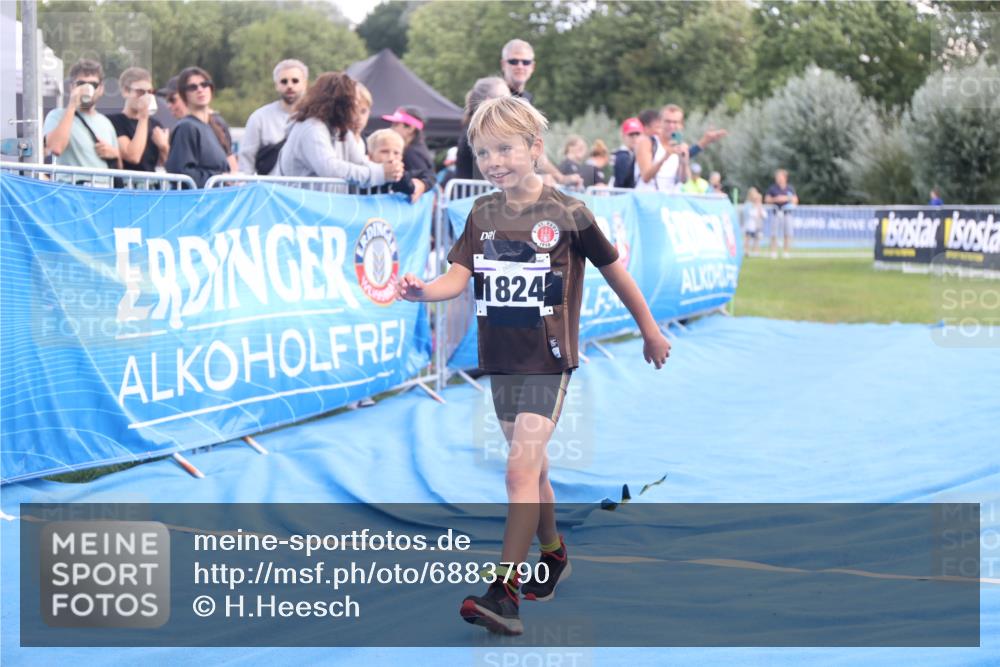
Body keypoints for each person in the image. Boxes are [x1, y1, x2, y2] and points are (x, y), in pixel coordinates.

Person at [395, 96, 671, 636]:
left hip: (548, 362)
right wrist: (423, 290)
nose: (493, 162)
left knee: (518, 471)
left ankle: (505, 592)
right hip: (500, 361)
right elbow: (457, 277)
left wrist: (650, 330)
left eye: (504, 149)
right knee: (536, 470)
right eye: (483, 153)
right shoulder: (481, 214)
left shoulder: (569, 213)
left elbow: (615, 271)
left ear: (535, 147)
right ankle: (554, 552)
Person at [276, 71, 402, 187]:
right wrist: (380, 173)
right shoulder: (312, 128)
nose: (355, 113)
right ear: (339, 103)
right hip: (300, 202)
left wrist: (390, 171)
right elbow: (329, 168)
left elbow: (359, 162)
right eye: (352, 104)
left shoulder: (340, 129)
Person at [43, 58, 120, 185]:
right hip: (72, 189)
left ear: (101, 89)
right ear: (72, 87)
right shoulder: (57, 115)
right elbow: (55, 148)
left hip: (103, 190)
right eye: (81, 84)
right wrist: (72, 104)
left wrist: (114, 153)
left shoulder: (106, 123)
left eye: (93, 85)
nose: (87, 88)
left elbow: (120, 166)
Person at [164, 67, 232, 188]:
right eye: (192, 87)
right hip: (198, 198)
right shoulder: (186, 127)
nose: (200, 90)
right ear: (184, 94)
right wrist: (219, 179)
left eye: (204, 84)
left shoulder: (213, 126)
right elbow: (181, 175)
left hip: (218, 196)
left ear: (211, 89)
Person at [238, 59, 308, 174]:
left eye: (295, 81)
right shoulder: (259, 117)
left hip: (305, 185)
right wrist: (246, 183)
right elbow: (246, 159)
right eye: (284, 81)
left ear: (305, 84)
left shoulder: (315, 118)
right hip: (269, 184)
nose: (289, 85)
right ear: (276, 85)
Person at [107, 67, 169, 173]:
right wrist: (143, 116)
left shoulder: (155, 125)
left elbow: (167, 165)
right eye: (140, 92)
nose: (146, 97)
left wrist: (164, 148)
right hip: (127, 181)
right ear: (125, 91)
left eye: (150, 92)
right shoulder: (114, 122)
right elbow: (133, 157)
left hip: (151, 181)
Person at [456, 77, 510, 180]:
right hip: (477, 189)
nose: (510, 104)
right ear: (488, 101)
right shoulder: (478, 132)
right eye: (504, 99)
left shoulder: (477, 129)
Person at [382, 106, 435, 200]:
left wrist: (420, 185)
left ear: (410, 128)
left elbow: (423, 177)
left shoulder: (412, 153)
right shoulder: (415, 149)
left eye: (396, 124)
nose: (391, 128)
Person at [366, 128, 426, 202]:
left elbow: (426, 175)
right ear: (370, 155)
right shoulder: (360, 176)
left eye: (396, 153)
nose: (391, 158)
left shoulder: (402, 176)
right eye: (384, 152)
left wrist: (422, 184)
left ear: (401, 157)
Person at [765, 168, 799, 258]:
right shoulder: (772, 188)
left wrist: (785, 198)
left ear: (785, 178)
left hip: (787, 213)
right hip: (776, 213)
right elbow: (767, 199)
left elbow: (795, 200)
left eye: (780, 177)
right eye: (777, 177)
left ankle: (786, 252)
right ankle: (773, 252)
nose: (778, 179)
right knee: (774, 233)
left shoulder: (790, 188)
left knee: (787, 233)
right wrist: (776, 199)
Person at [500, 38, 535, 104]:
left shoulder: (528, 99)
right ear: (503, 64)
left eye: (526, 62)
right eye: (514, 61)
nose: (520, 66)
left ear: (533, 66)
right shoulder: (492, 95)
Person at [611, 117, 643, 188]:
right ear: (623, 136)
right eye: (631, 134)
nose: (635, 138)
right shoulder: (622, 156)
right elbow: (624, 184)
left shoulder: (635, 154)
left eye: (637, 134)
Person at [743, 186, 765, 255]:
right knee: (747, 237)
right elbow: (750, 214)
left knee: (756, 237)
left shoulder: (758, 204)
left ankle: (756, 250)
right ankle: (746, 250)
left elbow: (763, 214)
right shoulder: (748, 204)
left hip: (756, 224)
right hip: (749, 224)